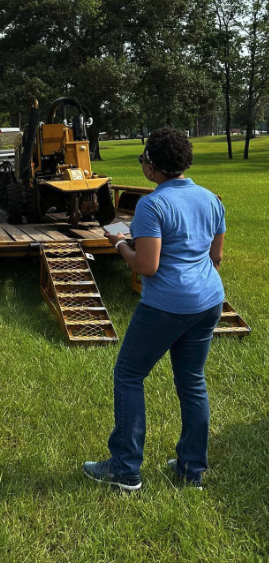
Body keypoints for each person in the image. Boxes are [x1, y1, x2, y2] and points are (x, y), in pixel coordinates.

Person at [83, 127, 225, 491]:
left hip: (166, 306)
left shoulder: (152, 204)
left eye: (143, 159)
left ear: (151, 168)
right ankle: (190, 470)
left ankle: (125, 469)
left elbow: (147, 266)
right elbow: (216, 257)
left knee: (129, 375)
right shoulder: (211, 199)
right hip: (209, 301)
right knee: (192, 382)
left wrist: (118, 244)